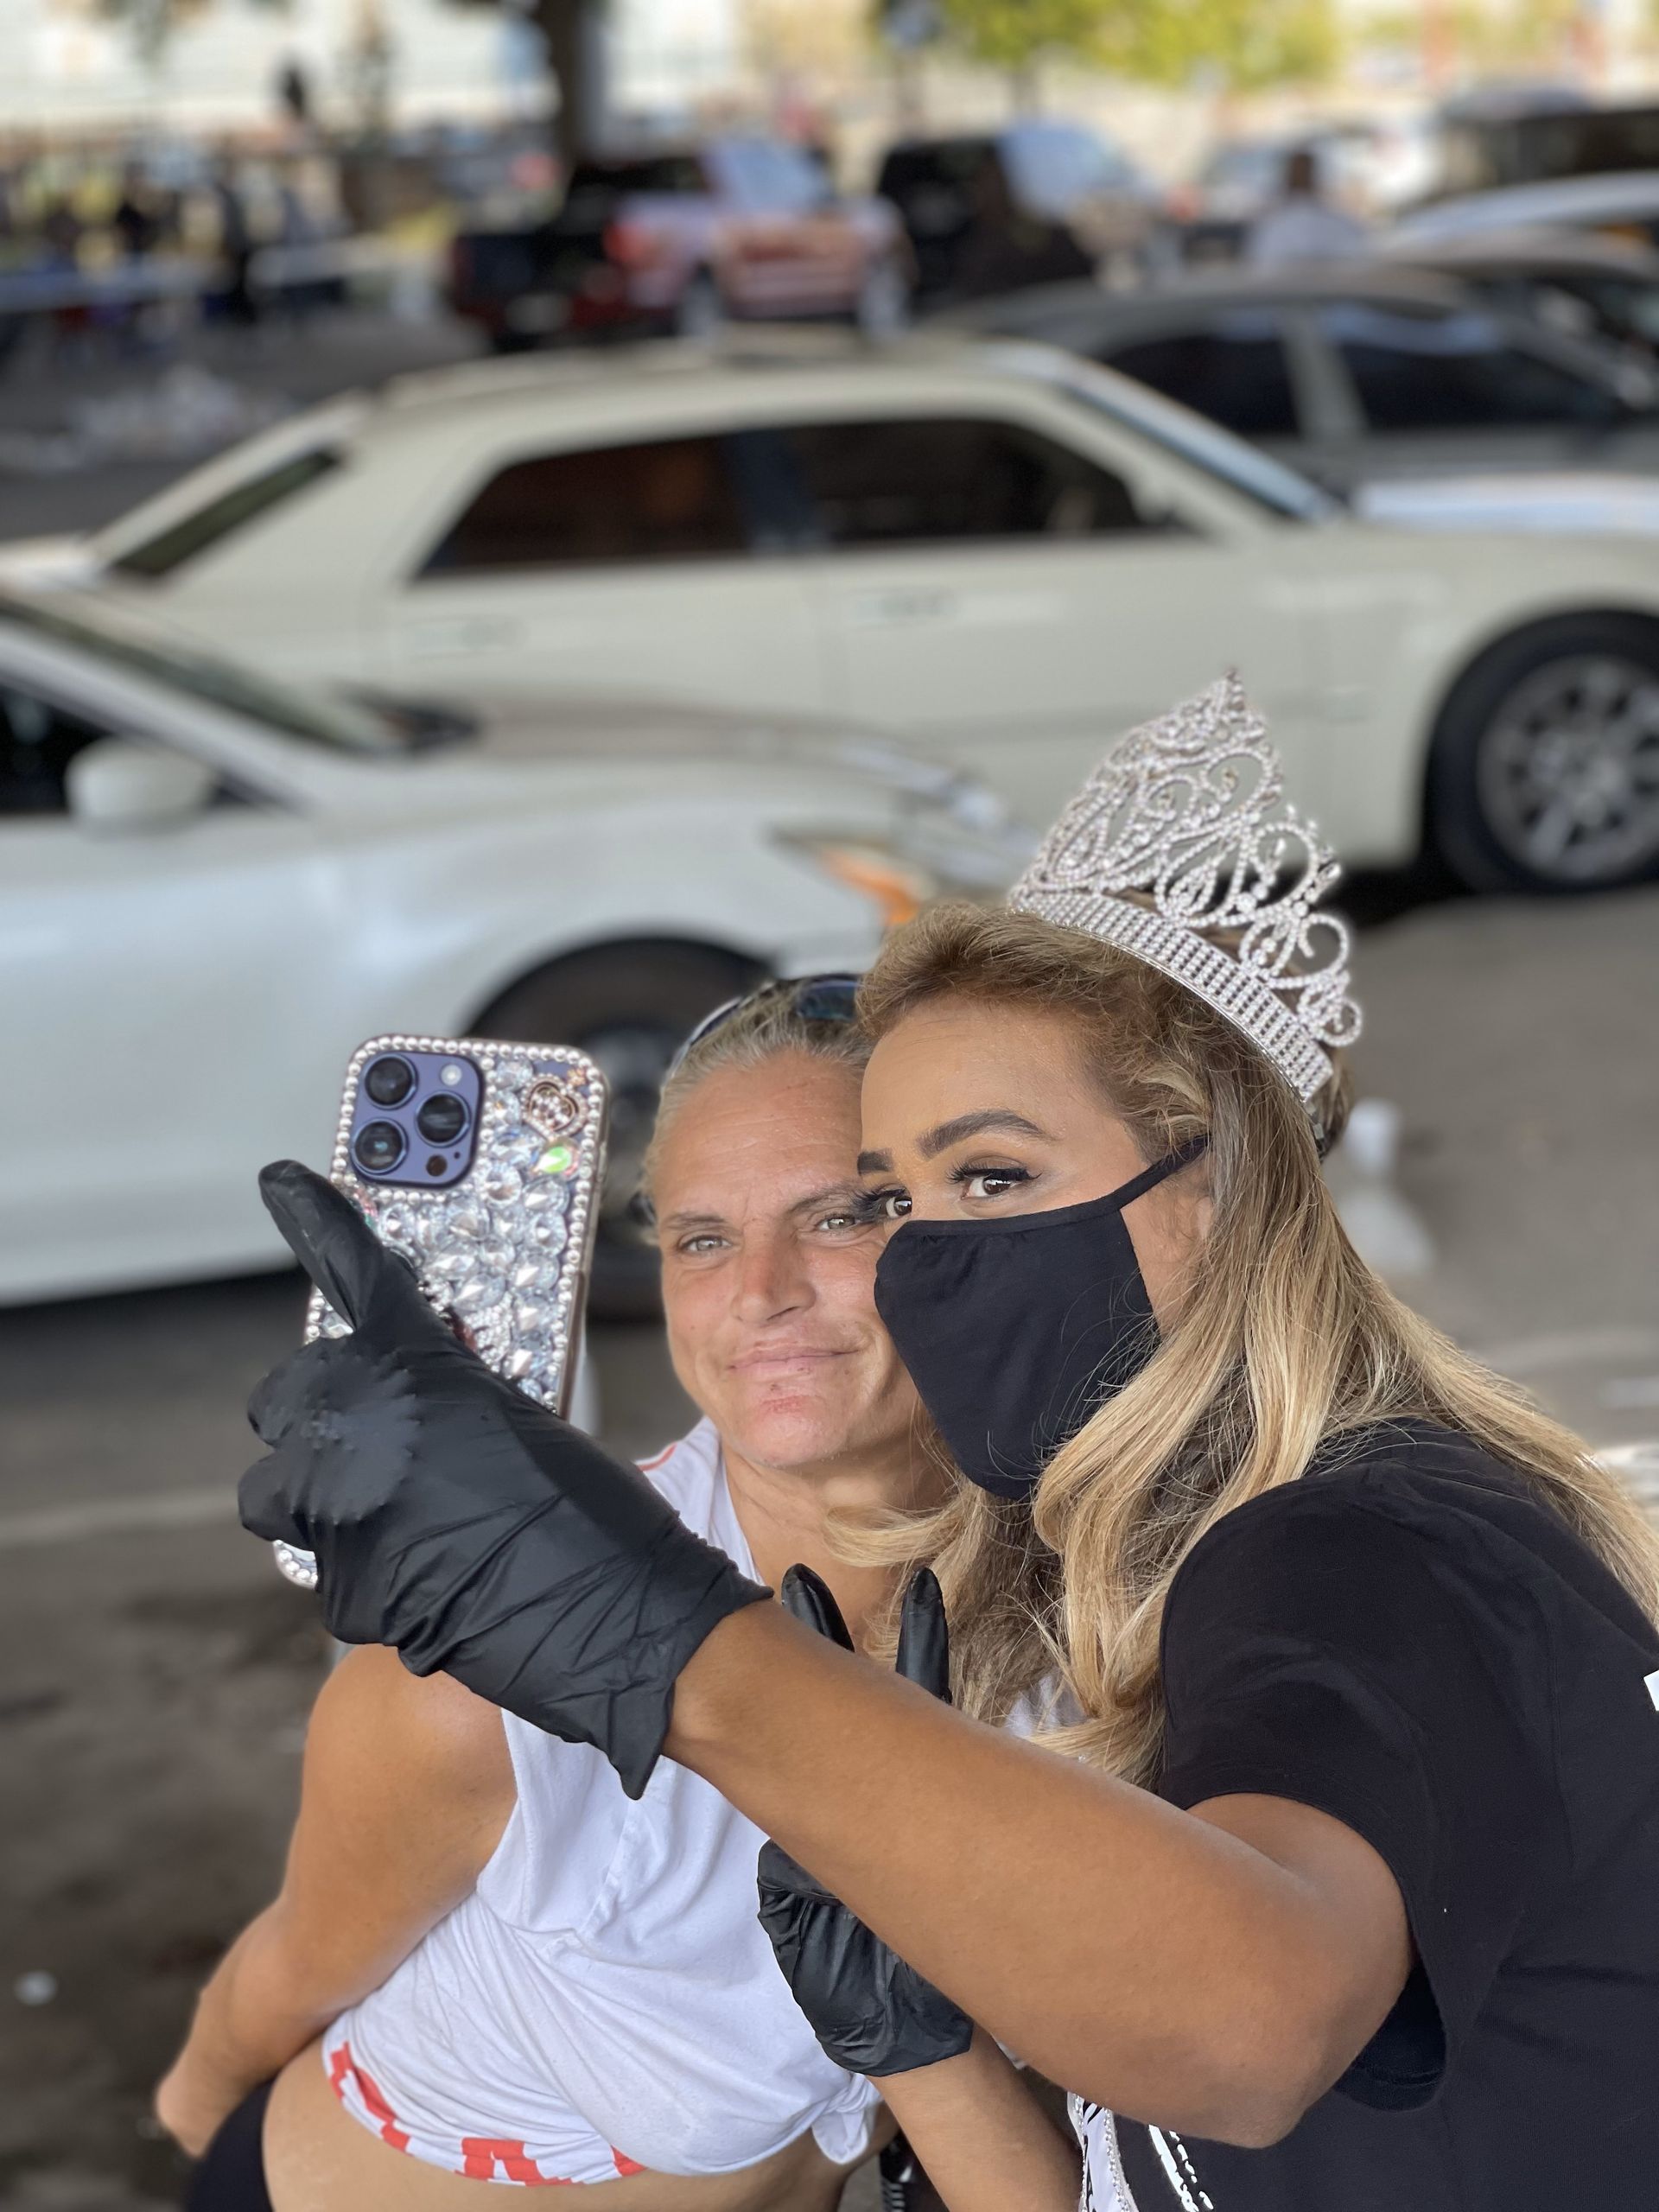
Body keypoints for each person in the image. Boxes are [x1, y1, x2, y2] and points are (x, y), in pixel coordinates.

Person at [240, 675, 1659, 2212]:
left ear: (1211, 1192)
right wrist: (923, 2041)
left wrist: (654, 1637)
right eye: (896, 1200)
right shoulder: (1141, 1565)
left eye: (990, 1176)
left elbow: (1254, 2025)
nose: (921, 1262)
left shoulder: (1364, 1543)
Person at [157, 978, 948, 2209]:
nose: (759, 1292)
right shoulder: (485, 1680)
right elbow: (276, 1989)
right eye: (700, 1238)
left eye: (841, 1216)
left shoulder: (1084, 1595)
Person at [1245, 144, 1367, 267]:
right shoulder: (1271, 225)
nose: (1300, 175)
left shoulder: (1270, 225)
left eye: (1303, 171)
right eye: (1298, 171)